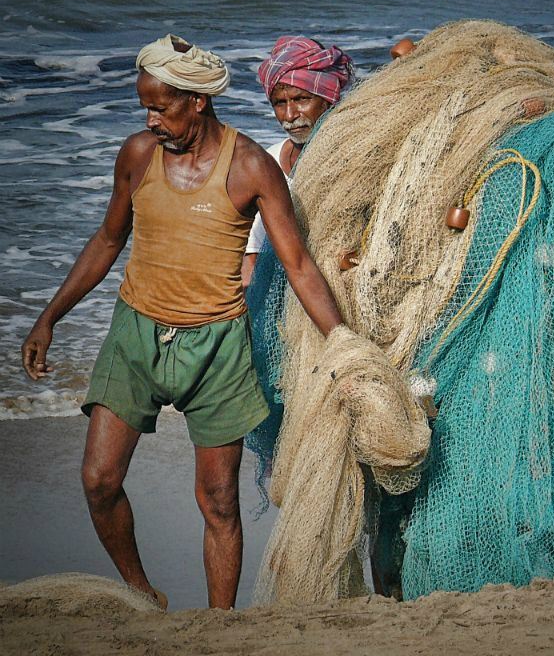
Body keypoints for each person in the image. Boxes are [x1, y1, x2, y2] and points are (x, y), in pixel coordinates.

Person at [21, 34, 343, 609]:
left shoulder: (250, 166)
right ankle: (143, 594)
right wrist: (50, 317)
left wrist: (343, 344)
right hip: (136, 334)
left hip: (218, 347)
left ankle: (219, 627)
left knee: (219, 502)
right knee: (99, 481)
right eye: (146, 107)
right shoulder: (138, 155)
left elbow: (298, 264)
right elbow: (107, 239)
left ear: (197, 101)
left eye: (161, 107)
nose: (151, 119)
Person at [242, 36, 353, 286]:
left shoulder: (353, 163)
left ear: (328, 99)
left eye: (302, 99)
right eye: (280, 103)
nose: (290, 115)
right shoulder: (267, 163)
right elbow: (252, 256)